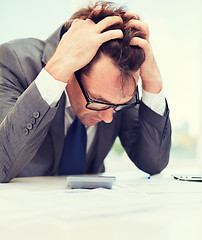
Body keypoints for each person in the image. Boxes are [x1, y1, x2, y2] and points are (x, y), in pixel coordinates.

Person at [0, 1, 171, 183]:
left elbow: (153, 164)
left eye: (117, 106)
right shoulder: (12, 62)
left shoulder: (118, 94)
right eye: (98, 101)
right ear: (72, 70)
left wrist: (153, 82)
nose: (108, 118)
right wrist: (57, 70)